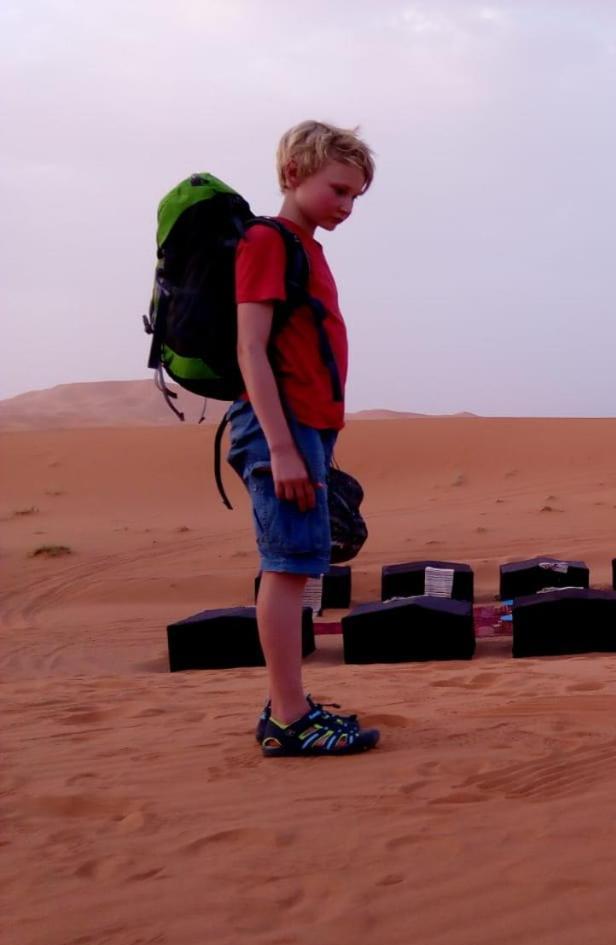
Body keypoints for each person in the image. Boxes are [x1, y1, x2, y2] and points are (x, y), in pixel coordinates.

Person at [226, 120, 380, 756]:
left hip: (303, 430)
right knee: (287, 570)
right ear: (294, 174)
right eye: (338, 190)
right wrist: (284, 445)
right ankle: (289, 718)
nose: (345, 207)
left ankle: (290, 703)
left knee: (297, 566)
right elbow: (250, 348)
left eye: (355, 198)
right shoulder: (268, 240)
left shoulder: (306, 248)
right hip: (278, 431)